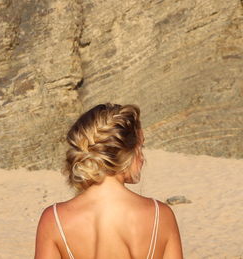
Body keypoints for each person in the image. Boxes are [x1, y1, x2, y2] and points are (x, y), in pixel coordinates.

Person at [34, 103, 183, 259]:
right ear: (126, 151)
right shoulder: (160, 215)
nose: (142, 158)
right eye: (141, 146)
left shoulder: (55, 219)